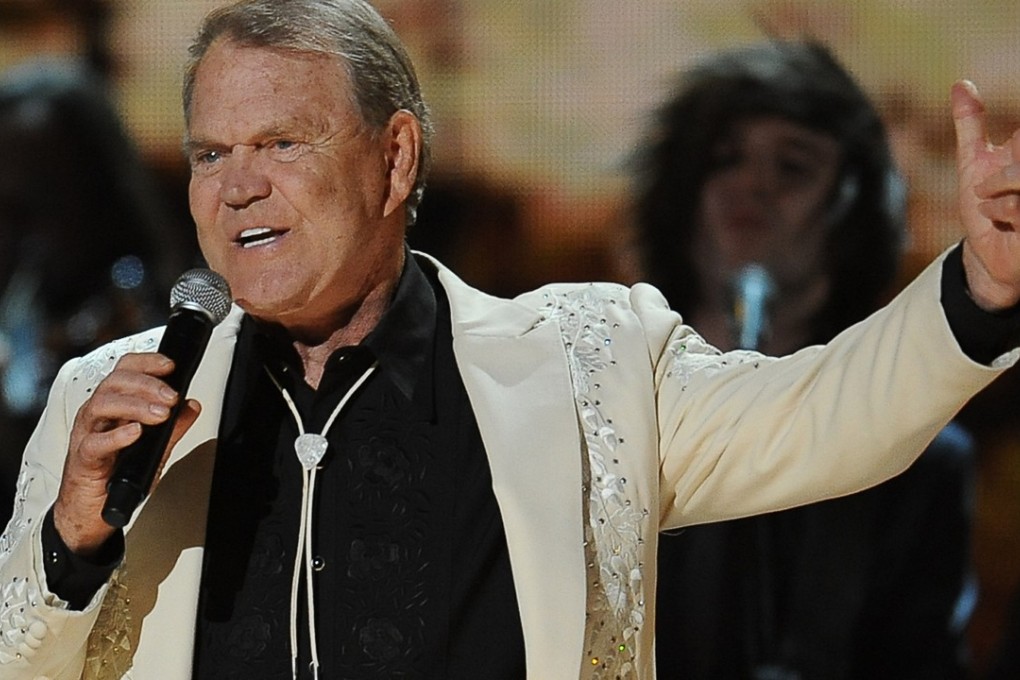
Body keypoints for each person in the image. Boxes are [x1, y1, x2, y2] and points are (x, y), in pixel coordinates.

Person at [0, 1, 1019, 678]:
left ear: (394, 159)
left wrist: (976, 287)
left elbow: (827, 417)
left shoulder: (592, 365)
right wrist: (70, 544)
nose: (236, 184)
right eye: (211, 151)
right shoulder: (116, 399)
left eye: (280, 143)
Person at [631, 40, 978, 679]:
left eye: (792, 167)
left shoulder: (923, 457)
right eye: (723, 159)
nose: (750, 185)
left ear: (853, 213)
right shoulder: (602, 410)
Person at [0, 62, 186, 529]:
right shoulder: (25, 301)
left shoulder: (145, 316)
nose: (22, 223)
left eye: (42, 194)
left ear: (95, 188)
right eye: (7, 198)